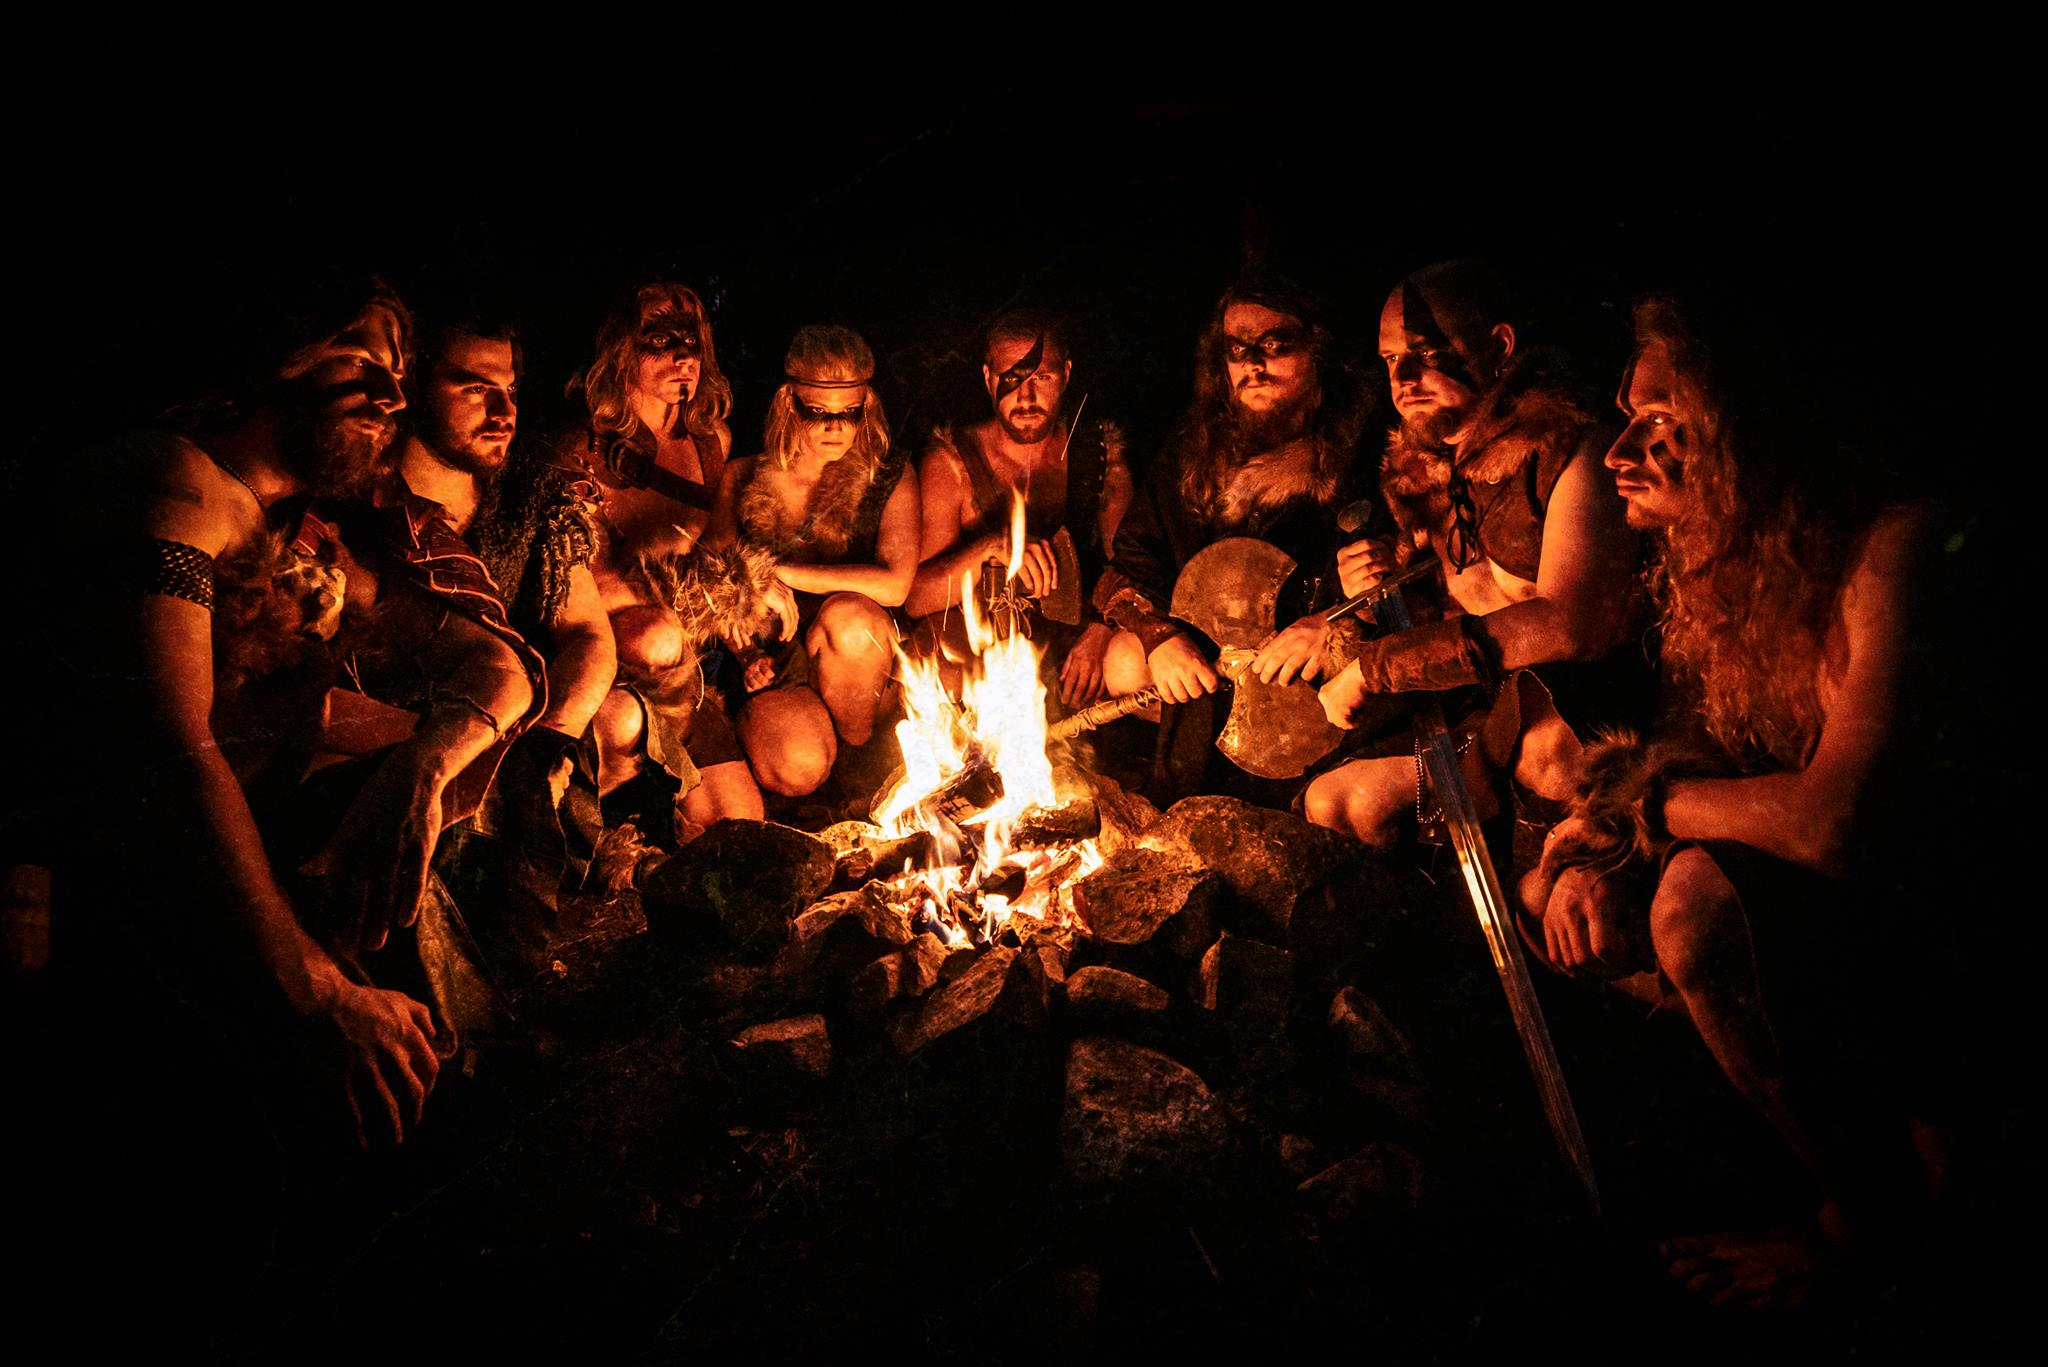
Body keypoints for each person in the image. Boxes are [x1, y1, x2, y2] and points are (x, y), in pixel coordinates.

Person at [1519, 291, 1955, 1309]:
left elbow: (1834, 822)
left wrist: (1648, 809)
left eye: (1662, 422)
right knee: (1576, 892)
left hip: (1966, 919)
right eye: (1625, 416)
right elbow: (1709, 745)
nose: (1619, 450)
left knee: (1695, 908)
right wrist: (1605, 843)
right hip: (1864, 900)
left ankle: (1874, 1227)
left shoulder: (1893, 548)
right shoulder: (1733, 561)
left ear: (1753, 432)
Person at [1307, 261, 1641, 845]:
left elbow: (1571, 625)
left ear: (1500, 346)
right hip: (1484, 701)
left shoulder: (1573, 449)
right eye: (1391, 360)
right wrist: (1374, 592)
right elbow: (1453, 595)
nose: (1404, 378)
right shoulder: (1422, 469)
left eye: (1428, 352)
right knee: (1333, 801)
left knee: (1546, 755)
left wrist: (1377, 667)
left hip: (1583, 705)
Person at [390, 312, 615, 969]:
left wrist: (547, 741)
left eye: (510, 390)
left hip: (516, 732)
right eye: (474, 388)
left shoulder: (527, 499)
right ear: (415, 385)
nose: (503, 411)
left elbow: (589, 634)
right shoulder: (363, 499)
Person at [1095, 274, 1374, 795]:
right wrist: (1159, 638)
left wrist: (1332, 625)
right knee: (1126, 659)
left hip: (1310, 685)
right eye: (1238, 350)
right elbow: (1127, 568)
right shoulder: (1193, 452)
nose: (1253, 364)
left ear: (1317, 352)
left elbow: (1395, 582)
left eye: (1275, 345)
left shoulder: (1357, 454)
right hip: (1212, 674)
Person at [565, 282, 761, 840]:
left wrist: (753, 594)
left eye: (691, 341)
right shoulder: (580, 447)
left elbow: (716, 558)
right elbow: (592, 584)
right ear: (621, 349)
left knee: (742, 826)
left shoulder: (711, 442)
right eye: (659, 340)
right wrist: (686, 596)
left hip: (684, 666)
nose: (682, 356)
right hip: (614, 657)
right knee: (653, 638)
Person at [700, 325, 920, 799]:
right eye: (817, 412)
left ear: (867, 406)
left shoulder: (887, 475)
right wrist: (746, 652)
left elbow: (896, 584)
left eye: (849, 413)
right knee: (796, 765)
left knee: (851, 620)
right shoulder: (743, 475)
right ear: (788, 403)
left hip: (858, 665)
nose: (835, 428)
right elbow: (712, 575)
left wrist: (775, 572)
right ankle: (808, 792)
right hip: (775, 657)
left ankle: (860, 777)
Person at [905, 309, 1132, 707]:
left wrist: (1103, 629)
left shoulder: (1097, 455)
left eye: (1041, 378)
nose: (1026, 398)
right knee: (939, 663)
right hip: (986, 645)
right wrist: (991, 547)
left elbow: (1133, 565)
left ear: (1066, 374)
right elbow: (919, 598)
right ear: (988, 379)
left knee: (1133, 659)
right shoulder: (954, 463)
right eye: (1011, 379)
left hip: (1074, 644)